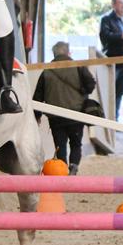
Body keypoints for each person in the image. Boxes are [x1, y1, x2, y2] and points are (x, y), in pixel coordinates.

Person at [32, 41, 97, 175]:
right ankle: (73, 167)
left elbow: (38, 96)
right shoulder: (78, 67)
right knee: (76, 143)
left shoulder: (47, 70)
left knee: (59, 145)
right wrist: (82, 92)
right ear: (69, 52)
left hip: (56, 117)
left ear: (54, 54)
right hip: (76, 114)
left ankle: (61, 171)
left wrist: (36, 115)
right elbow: (91, 85)